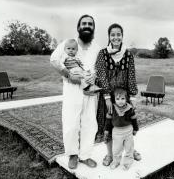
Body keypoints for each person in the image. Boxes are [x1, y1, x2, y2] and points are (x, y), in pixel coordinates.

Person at [50, 14, 100, 169]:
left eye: (90, 24)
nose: (87, 26)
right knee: (71, 123)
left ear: (93, 28)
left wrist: (94, 76)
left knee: (90, 123)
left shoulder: (97, 48)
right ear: (78, 27)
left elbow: (99, 68)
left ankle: (85, 155)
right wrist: (68, 74)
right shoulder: (68, 43)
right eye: (84, 23)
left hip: (89, 91)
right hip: (72, 89)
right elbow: (54, 59)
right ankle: (72, 154)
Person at [95, 23, 141, 166]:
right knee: (108, 125)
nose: (116, 37)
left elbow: (131, 75)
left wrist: (132, 97)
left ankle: (130, 150)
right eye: (113, 34)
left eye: (118, 34)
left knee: (127, 124)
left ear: (122, 36)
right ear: (109, 36)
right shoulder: (103, 54)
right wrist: (107, 97)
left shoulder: (128, 54)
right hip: (108, 98)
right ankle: (110, 155)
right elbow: (101, 76)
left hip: (124, 98)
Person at [104, 88, 139, 170]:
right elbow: (108, 121)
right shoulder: (112, 109)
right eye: (117, 99)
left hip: (128, 131)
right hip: (117, 132)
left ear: (126, 99)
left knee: (129, 148)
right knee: (116, 149)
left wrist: (135, 129)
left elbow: (134, 119)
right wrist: (106, 130)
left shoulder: (130, 108)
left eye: (123, 98)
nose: (120, 101)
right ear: (114, 99)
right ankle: (116, 161)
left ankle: (127, 162)